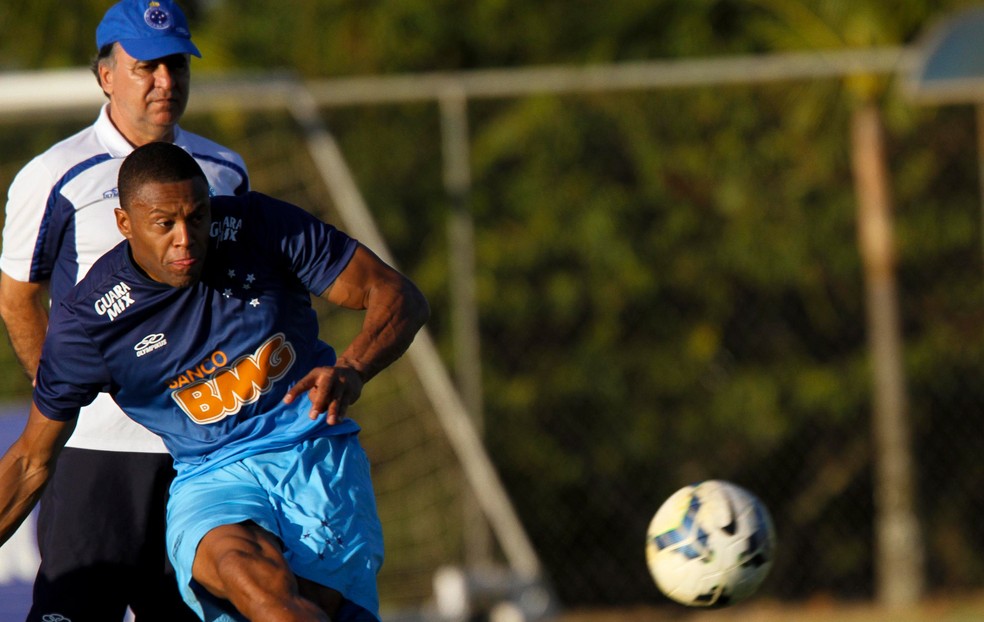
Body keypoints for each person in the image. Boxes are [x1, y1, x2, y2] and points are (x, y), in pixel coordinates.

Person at [0, 141, 430, 621]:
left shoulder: (259, 227)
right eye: (164, 224)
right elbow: (30, 462)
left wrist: (353, 367)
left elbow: (396, 295)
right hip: (210, 475)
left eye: (197, 217)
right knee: (246, 574)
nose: (186, 237)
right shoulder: (89, 321)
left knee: (317, 607)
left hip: (314, 457)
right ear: (125, 225)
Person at [0, 1, 248, 620]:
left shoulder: (224, 171)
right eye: (146, 67)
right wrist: (57, 388)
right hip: (95, 453)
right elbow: (17, 296)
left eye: (176, 67)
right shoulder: (55, 174)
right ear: (106, 74)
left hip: (200, 454)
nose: (165, 82)